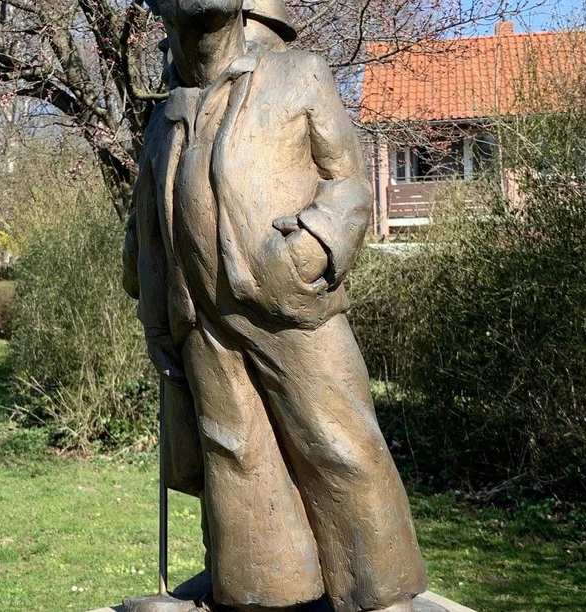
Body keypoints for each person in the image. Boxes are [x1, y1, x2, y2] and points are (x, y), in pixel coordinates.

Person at [125, 0, 429, 610]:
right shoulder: (165, 115)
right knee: (234, 452)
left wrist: (311, 249)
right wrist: (156, 310)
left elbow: (349, 182)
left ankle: (383, 592)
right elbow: (147, 227)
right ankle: (261, 593)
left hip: (293, 301)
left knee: (337, 441)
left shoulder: (299, 74)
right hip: (202, 314)